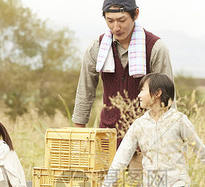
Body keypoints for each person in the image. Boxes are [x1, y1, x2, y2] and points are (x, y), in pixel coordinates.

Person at [98, 73, 205, 187]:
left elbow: (201, 151)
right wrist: (105, 186)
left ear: (157, 93)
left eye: (143, 90)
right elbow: (121, 158)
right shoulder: (139, 125)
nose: (138, 95)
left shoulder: (179, 121)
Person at [72, 0, 174, 150]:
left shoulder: (155, 48)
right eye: (110, 21)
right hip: (107, 136)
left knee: (137, 174)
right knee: (109, 174)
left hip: (145, 138)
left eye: (122, 20)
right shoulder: (96, 48)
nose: (116, 27)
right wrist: (79, 136)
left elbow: (167, 98)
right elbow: (85, 92)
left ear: (136, 14)